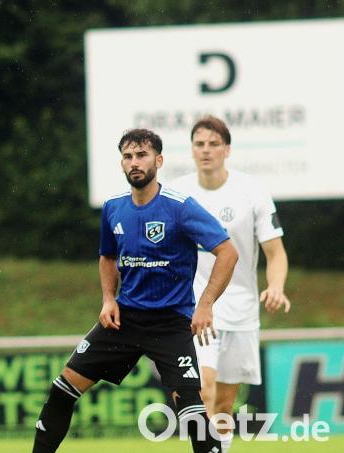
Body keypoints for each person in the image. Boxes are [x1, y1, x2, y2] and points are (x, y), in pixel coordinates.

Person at [32, 128, 238, 453]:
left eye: (141, 155)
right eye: (128, 157)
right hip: (124, 320)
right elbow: (107, 256)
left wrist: (206, 305)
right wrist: (108, 299)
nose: (134, 163)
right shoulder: (114, 208)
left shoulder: (180, 207)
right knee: (63, 388)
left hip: (171, 323)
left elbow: (227, 252)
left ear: (158, 160)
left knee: (192, 411)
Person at [171, 115, 290, 452]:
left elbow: (275, 253)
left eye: (213, 144)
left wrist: (276, 286)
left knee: (224, 404)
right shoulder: (178, 193)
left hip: (241, 307)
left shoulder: (252, 191)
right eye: (199, 144)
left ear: (227, 150)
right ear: (192, 150)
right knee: (204, 389)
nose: (205, 150)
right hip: (194, 304)